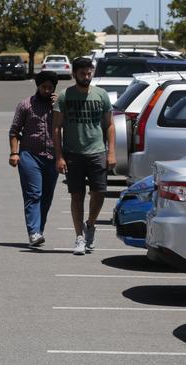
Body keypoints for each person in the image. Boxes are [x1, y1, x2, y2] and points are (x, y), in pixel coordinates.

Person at [53, 57, 116, 255]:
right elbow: (56, 128)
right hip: (73, 153)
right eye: (83, 74)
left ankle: (91, 225)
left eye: (89, 73)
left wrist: (111, 152)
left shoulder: (101, 95)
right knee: (77, 196)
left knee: (99, 194)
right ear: (74, 74)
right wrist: (59, 156)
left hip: (97, 152)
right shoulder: (65, 96)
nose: (87, 77)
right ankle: (79, 237)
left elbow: (110, 125)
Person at [9, 71, 59, 248]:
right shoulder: (25, 105)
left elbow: (67, 126)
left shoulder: (59, 105)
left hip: (53, 157)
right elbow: (14, 131)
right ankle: (33, 232)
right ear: (38, 86)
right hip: (29, 156)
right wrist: (14, 153)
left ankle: (39, 230)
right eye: (43, 87)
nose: (46, 90)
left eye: (50, 87)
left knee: (46, 197)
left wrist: (58, 106)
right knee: (34, 194)